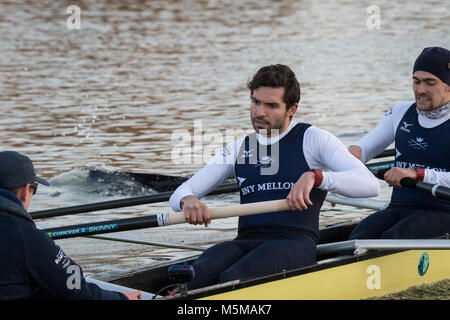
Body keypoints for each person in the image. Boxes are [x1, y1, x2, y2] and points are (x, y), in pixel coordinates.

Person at [168, 64, 380, 290]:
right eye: (255, 102)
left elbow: (369, 185)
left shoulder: (313, 139)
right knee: (193, 277)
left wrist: (316, 177)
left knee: (232, 278)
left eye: (271, 105)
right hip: (244, 242)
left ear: (292, 109)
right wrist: (188, 201)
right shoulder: (238, 149)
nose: (259, 112)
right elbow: (179, 194)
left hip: (293, 243)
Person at [0, 150, 141, 300]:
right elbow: (76, 289)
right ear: (24, 190)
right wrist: (121, 298)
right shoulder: (26, 235)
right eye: (34, 188)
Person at [348, 46, 450, 240]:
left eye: (430, 82)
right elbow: (363, 149)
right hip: (401, 207)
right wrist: (328, 164)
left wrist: (417, 174)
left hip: (444, 210)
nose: (420, 90)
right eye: (416, 81)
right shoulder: (401, 112)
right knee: (360, 236)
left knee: (394, 237)